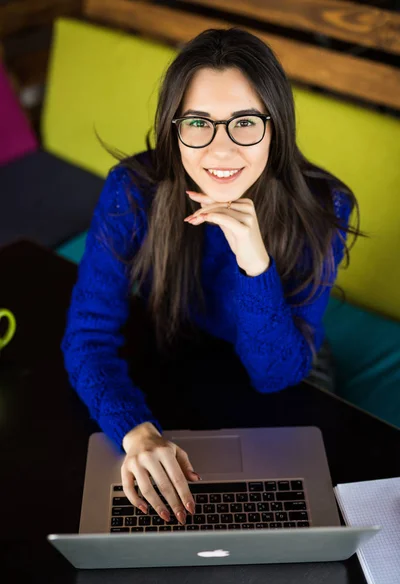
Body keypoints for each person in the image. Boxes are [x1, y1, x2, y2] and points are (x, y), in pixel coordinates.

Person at [61, 28, 361, 529]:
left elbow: (276, 377)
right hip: (182, 343)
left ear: (276, 127)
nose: (221, 151)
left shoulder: (324, 206)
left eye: (244, 123)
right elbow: (88, 336)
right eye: (199, 123)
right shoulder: (133, 193)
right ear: (174, 127)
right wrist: (134, 431)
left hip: (287, 364)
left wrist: (253, 259)